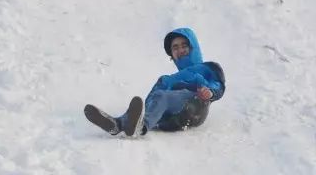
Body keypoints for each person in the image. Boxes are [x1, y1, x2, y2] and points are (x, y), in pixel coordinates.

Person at [84, 28, 226, 138]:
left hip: (195, 105)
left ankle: (141, 127)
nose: (180, 50)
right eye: (175, 48)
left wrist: (210, 92)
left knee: (162, 96)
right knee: (160, 92)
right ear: (172, 55)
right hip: (171, 118)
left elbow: (218, 85)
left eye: (184, 45)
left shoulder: (208, 67)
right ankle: (119, 124)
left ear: (193, 47)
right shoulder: (168, 79)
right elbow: (149, 103)